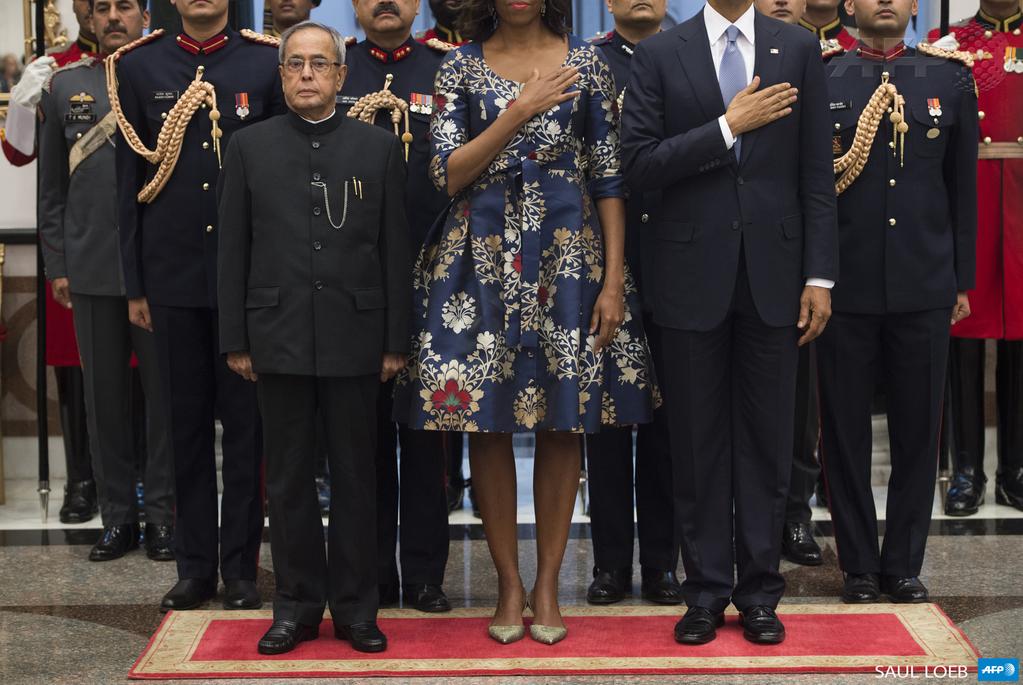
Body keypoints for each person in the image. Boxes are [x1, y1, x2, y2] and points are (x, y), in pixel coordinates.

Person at [396, 0, 658, 646]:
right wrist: (518, 112)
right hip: (476, 259)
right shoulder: (456, 67)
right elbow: (449, 172)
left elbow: (608, 175)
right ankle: (508, 583)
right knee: (484, 423)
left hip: (569, 255)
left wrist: (612, 280)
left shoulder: (588, 63)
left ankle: (546, 583)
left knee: (563, 420)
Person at [622, 0, 838, 646]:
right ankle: (705, 592)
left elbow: (815, 174)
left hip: (775, 277)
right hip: (689, 276)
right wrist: (725, 126)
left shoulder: (795, 47)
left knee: (768, 442)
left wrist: (819, 276)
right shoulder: (660, 53)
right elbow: (637, 164)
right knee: (696, 443)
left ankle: (760, 592)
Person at [219, 20, 409, 656]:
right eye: (295, 64)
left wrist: (394, 339)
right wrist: (236, 337)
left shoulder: (376, 148)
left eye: (318, 64)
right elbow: (234, 252)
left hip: (358, 334)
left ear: (340, 75)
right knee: (290, 480)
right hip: (277, 335)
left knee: (358, 477)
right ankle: (296, 606)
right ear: (280, 75)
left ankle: (357, 608)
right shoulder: (249, 147)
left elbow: (393, 251)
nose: (306, 74)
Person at [111, 0, 285, 612]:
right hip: (173, 278)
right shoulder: (138, 66)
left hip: (248, 280)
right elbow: (127, 181)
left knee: (245, 430)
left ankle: (240, 569)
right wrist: (135, 284)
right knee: (182, 428)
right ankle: (193, 567)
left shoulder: (266, 63)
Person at [820, 0, 977, 604]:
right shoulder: (825, 73)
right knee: (844, 431)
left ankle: (904, 563)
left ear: (913, 6)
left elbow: (961, 185)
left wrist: (959, 278)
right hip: (845, 284)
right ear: (850, 6)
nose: (884, 1)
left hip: (924, 282)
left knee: (918, 431)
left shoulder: (948, 76)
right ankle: (858, 564)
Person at [38, 0, 175, 563]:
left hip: (160, 267)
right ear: (87, 19)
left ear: (145, 15)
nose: (113, 17)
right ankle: (119, 519)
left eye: (125, 6)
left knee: (166, 403)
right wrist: (58, 262)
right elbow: (52, 191)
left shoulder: (169, 75)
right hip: (93, 266)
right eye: (102, 8)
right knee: (105, 402)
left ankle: (166, 518)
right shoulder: (63, 86)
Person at [338, 0, 452, 614]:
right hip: (354, 284)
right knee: (365, 439)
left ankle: (427, 576)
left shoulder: (446, 69)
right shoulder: (337, 70)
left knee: (427, 434)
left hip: (435, 279)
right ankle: (375, 572)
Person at [583, 0, 681, 608]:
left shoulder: (688, 56)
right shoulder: (586, 64)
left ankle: (664, 564)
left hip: (677, 252)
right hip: (599, 259)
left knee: (672, 422)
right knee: (609, 420)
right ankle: (611, 563)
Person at [3, 0, 101, 526]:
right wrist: (22, 104)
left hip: (128, 241)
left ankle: (129, 480)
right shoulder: (56, 66)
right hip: (73, 241)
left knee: (140, 377)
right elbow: (19, 155)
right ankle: (81, 479)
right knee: (74, 368)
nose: (98, 12)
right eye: (89, 2)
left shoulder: (143, 64)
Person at [927, 1, 1023, 516]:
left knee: (1022, 335)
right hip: (973, 194)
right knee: (964, 329)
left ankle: (1017, 467)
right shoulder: (948, 42)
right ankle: (966, 468)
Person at [753, 0, 827, 569]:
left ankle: (795, 514)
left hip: (816, 256)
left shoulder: (826, 58)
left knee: (801, 403)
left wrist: (818, 271)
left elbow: (818, 174)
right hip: (747, 256)